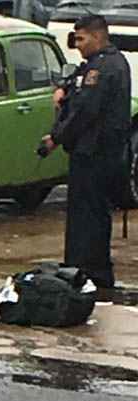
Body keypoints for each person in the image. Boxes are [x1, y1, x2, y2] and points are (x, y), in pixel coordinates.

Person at [42, 15, 131, 289]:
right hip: (87, 152)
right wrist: (63, 90)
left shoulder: (105, 67)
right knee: (82, 216)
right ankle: (80, 270)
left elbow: (86, 111)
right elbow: (76, 88)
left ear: (97, 36)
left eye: (81, 39)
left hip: (98, 153)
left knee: (90, 217)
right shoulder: (94, 65)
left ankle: (92, 274)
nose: (77, 45)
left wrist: (55, 138)